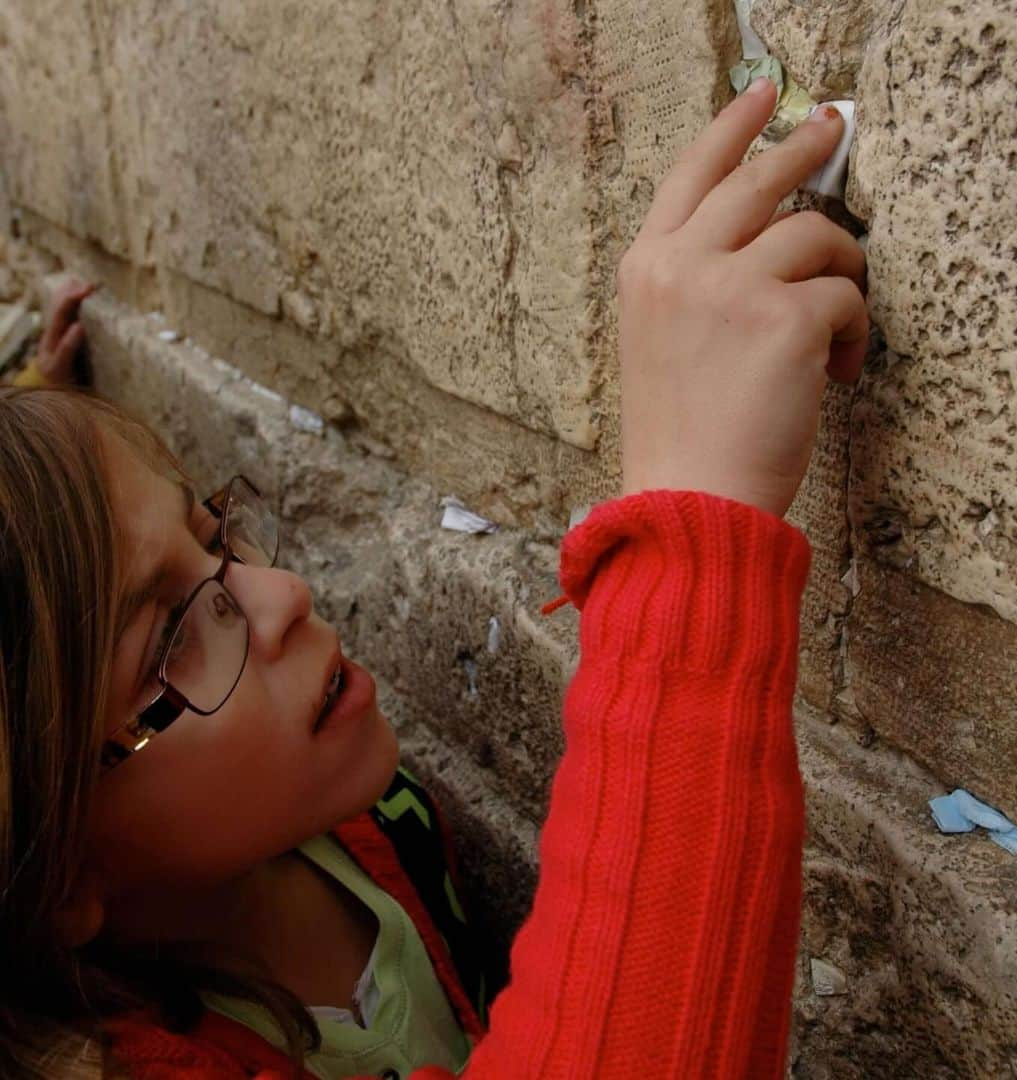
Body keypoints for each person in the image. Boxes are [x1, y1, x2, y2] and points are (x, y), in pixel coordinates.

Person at [0, 78, 867, 1079]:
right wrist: (693, 533)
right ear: (55, 872)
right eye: (167, 645)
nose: (284, 597)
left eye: (219, 539)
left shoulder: (360, 816)